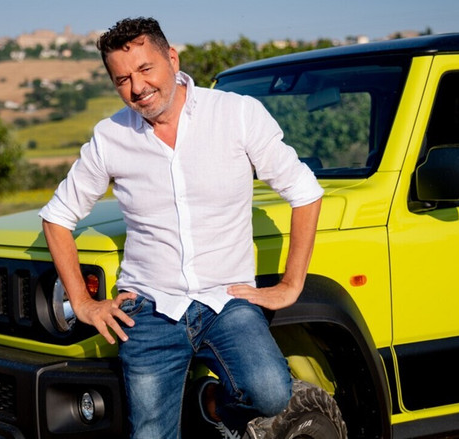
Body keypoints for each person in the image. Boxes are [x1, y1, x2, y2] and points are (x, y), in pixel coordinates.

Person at [39, 17, 323, 439]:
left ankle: (212, 405)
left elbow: (305, 191)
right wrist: (82, 303)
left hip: (227, 300)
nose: (137, 87)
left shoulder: (237, 114)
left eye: (145, 69)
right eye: (122, 80)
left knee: (270, 391)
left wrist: (290, 284)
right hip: (149, 308)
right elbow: (57, 217)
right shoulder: (110, 137)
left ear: (172, 59)